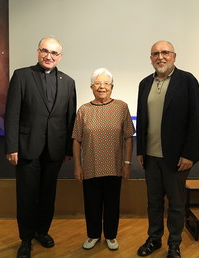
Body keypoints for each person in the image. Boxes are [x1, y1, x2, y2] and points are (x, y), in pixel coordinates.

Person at [4, 37, 76, 258]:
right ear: (37, 52)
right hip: (27, 147)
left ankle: (41, 232)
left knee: (47, 196)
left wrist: (67, 150)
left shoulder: (68, 82)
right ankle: (25, 239)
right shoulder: (21, 76)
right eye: (45, 51)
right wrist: (11, 146)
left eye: (54, 53)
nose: (49, 56)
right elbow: (12, 114)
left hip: (54, 151)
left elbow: (69, 119)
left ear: (60, 57)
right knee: (27, 196)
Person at [136, 41, 199, 258]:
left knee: (176, 204)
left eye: (165, 52)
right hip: (151, 156)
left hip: (176, 158)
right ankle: (154, 239)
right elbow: (143, 120)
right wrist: (140, 151)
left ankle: (174, 244)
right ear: (150, 58)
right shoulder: (144, 83)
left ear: (174, 56)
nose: (160, 57)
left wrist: (190, 154)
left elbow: (196, 120)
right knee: (153, 203)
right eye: (155, 53)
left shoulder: (187, 80)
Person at [72, 68, 135, 251]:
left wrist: (127, 163)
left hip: (115, 167)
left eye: (106, 83)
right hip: (90, 166)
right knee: (91, 204)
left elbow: (128, 137)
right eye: (98, 83)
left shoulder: (121, 107)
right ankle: (92, 235)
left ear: (112, 87)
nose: (102, 87)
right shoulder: (84, 110)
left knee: (112, 204)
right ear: (91, 87)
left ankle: (110, 236)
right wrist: (77, 165)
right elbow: (76, 139)